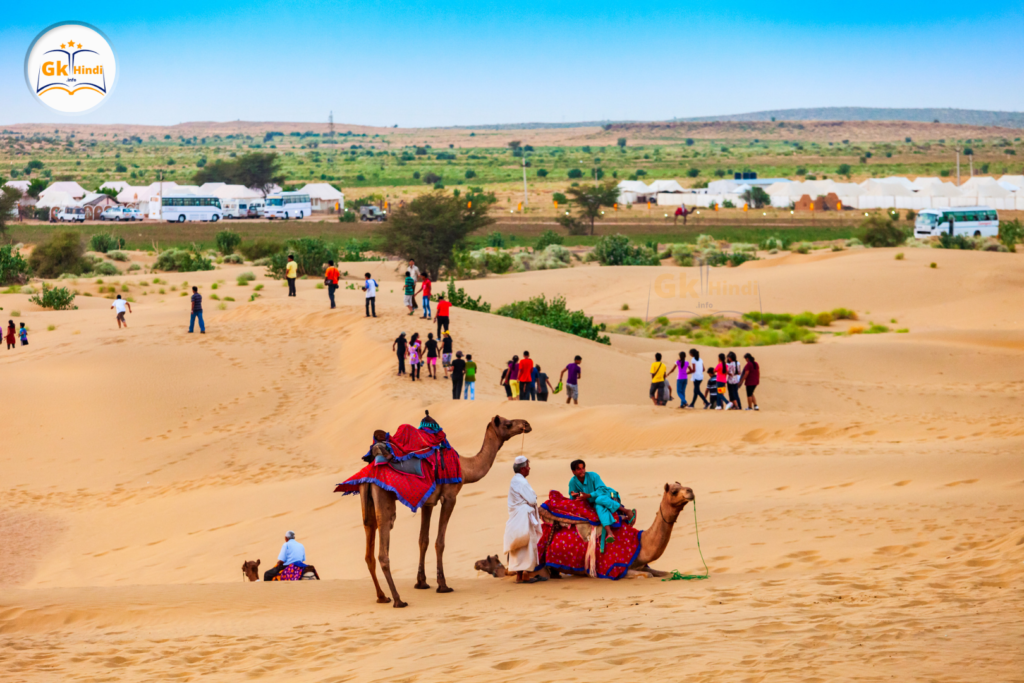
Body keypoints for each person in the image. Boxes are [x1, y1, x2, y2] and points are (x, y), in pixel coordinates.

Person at [569, 460, 635, 546]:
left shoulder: (593, 476)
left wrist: (589, 495)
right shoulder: (572, 482)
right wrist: (575, 495)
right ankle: (610, 533)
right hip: (594, 503)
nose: (582, 470)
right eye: (579, 469)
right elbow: (572, 497)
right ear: (573, 472)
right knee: (598, 506)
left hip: (606, 496)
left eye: (583, 468)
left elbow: (602, 490)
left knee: (599, 500)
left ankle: (626, 511)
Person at [503, 456, 545, 584]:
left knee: (520, 545)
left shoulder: (516, 480)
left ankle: (520, 576)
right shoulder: (520, 482)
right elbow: (532, 500)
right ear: (522, 469)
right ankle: (524, 575)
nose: (529, 468)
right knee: (525, 544)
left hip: (519, 517)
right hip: (522, 517)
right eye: (527, 466)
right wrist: (534, 496)